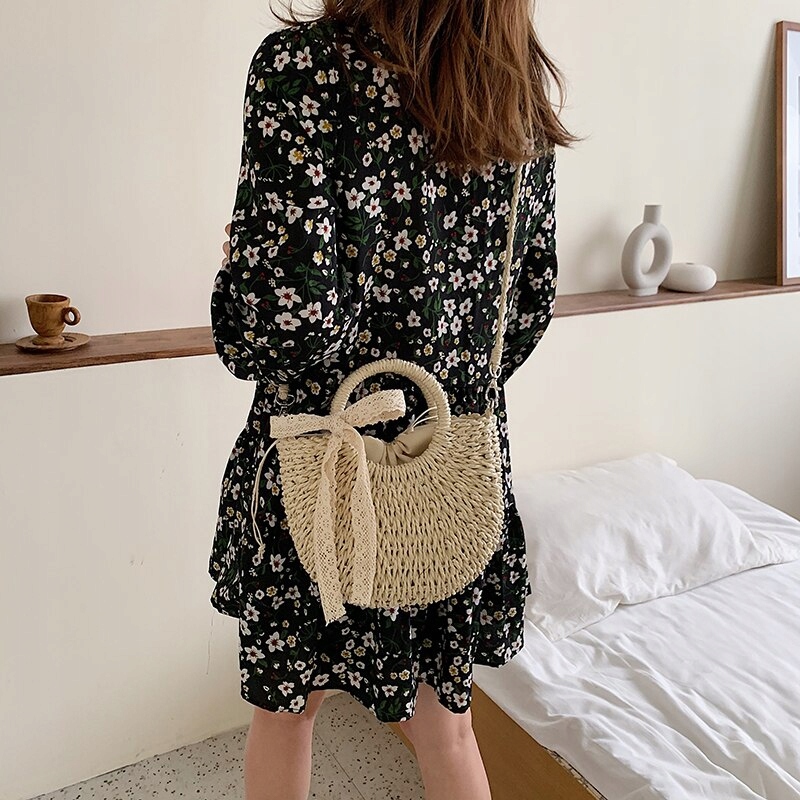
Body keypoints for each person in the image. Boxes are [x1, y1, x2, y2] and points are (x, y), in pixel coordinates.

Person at [209, 2, 579, 798]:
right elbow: (527, 304)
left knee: (288, 708)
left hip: (320, 456)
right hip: (451, 466)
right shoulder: (515, 93)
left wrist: (238, 286)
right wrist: (443, 383)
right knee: (446, 728)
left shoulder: (305, 70)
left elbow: (292, 321)